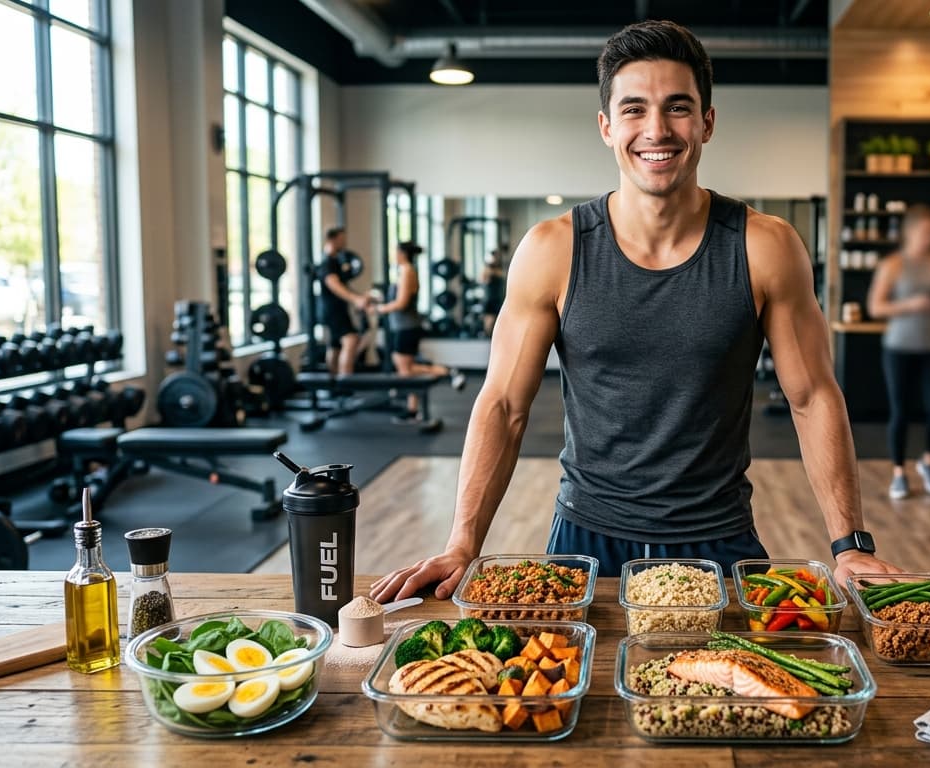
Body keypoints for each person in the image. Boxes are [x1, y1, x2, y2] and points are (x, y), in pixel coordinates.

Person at [371, 20, 899, 603]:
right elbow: (502, 403)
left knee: (737, 696)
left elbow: (812, 396)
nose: (656, 130)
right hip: (585, 540)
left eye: (678, 107)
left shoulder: (764, 246)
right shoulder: (554, 250)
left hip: (719, 542)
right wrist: (463, 543)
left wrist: (850, 542)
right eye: (633, 110)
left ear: (707, 122)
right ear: (606, 126)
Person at [865, 205, 930, 500]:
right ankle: (899, 473)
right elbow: (875, 307)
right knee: (900, 411)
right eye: (926, 232)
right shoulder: (893, 264)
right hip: (898, 346)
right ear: (910, 231)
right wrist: (910, 306)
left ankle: (929, 460)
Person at [376, 241, 466, 424]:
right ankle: (414, 407)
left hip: (406, 326)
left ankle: (445, 374)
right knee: (405, 368)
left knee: (406, 370)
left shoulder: (408, 271)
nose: (394, 255)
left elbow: (401, 303)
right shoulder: (405, 271)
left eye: (395, 252)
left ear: (402, 253)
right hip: (401, 326)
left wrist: (381, 309)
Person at [318, 227, 373, 375]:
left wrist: (359, 297)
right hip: (332, 310)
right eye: (341, 239)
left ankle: (334, 384)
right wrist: (356, 299)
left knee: (335, 346)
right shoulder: (328, 262)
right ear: (332, 239)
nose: (344, 242)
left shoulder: (336, 261)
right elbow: (335, 286)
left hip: (336, 309)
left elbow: (343, 286)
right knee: (351, 340)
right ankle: (344, 383)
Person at [479, 248, 507, 336]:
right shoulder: (487, 268)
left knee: (498, 319)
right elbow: (482, 280)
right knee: (488, 319)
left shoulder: (500, 267)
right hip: (489, 297)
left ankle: (495, 335)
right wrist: (489, 273)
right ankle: (487, 334)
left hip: (498, 297)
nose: (495, 258)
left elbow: (502, 275)